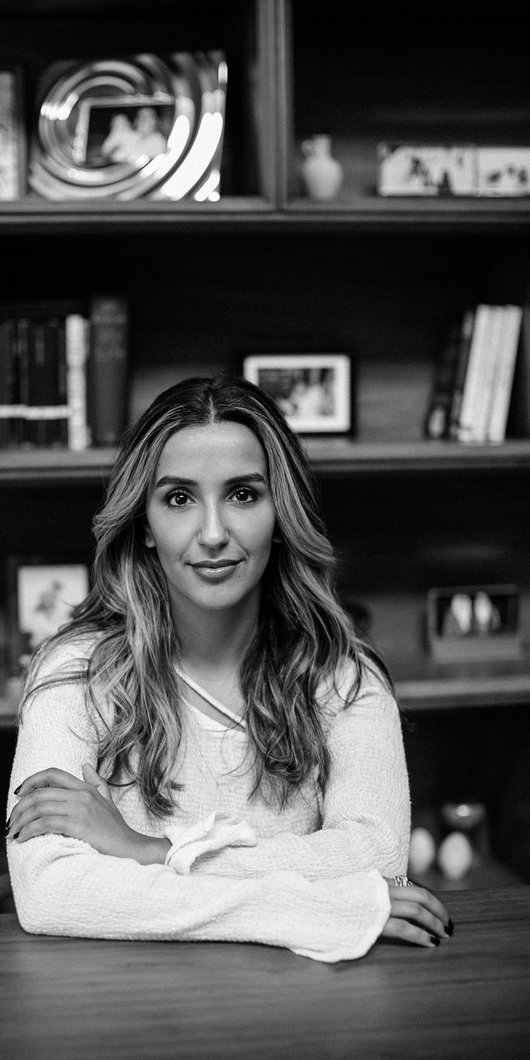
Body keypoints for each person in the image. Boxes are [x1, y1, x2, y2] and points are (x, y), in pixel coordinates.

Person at [6, 375, 453, 962]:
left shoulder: (344, 677)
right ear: (143, 524)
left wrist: (152, 851)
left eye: (243, 495)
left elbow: (377, 860)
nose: (213, 534)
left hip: (303, 1005)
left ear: (280, 512)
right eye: (179, 498)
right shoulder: (74, 673)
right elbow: (49, 892)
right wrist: (309, 905)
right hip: (123, 1003)